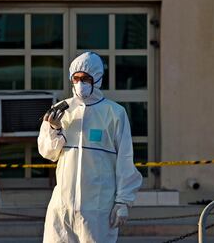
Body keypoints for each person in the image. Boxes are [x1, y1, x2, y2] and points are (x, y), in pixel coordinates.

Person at [38, 52, 142, 243]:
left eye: (85, 79)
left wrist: (123, 201)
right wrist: (54, 129)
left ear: (98, 79)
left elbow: (125, 161)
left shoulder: (115, 113)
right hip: (62, 208)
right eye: (76, 78)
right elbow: (48, 153)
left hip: (98, 210)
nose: (80, 84)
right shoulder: (61, 110)